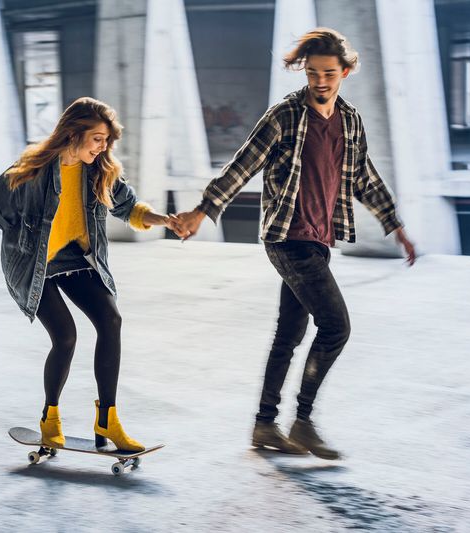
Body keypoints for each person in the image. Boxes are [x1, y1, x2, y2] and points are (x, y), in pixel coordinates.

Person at [176, 28, 416, 459]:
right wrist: (203, 209)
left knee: (289, 334)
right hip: (287, 237)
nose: (320, 82)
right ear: (303, 72)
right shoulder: (285, 116)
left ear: (345, 72)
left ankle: (264, 426)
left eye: (328, 73)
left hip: (320, 240)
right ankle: (303, 422)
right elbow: (242, 163)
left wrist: (394, 223)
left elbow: (363, 176)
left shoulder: (351, 120)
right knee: (336, 326)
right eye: (312, 73)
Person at [0, 97, 179, 451]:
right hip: (33, 264)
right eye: (97, 139)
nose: (103, 147)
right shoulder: (28, 174)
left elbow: (129, 207)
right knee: (66, 337)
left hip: (76, 259)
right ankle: (50, 418)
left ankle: (108, 420)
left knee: (111, 320)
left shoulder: (98, 171)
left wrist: (163, 220)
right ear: (73, 134)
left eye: (106, 141)